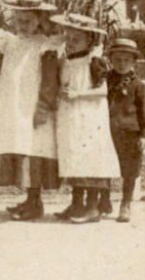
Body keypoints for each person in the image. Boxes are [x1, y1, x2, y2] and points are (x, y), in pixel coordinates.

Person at [0, 0, 62, 221]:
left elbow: (49, 80)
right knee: (19, 149)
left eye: (28, 21)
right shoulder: (11, 42)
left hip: (33, 107)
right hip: (13, 105)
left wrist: (44, 107)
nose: (23, 26)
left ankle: (36, 202)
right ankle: (28, 198)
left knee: (33, 152)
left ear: (40, 20)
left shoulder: (45, 46)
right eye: (19, 20)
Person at [47, 12, 118, 224]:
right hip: (71, 116)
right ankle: (76, 202)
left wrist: (78, 94)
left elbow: (104, 90)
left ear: (89, 39)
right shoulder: (67, 61)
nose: (71, 43)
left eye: (77, 39)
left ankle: (92, 206)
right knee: (74, 155)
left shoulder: (93, 60)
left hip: (90, 116)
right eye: (68, 38)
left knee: (90, 157)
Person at [100, 35, 145, 223]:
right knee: (104, 166)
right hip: (106, 131)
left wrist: (144, 134)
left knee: (129, 170)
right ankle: (104, 200)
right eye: (117, 60)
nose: (122, 64)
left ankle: (125, 203)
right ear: (111, 60)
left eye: (127, 60)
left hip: (129, 133)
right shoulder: (105, 81)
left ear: (133, 62)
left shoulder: (138, 85)